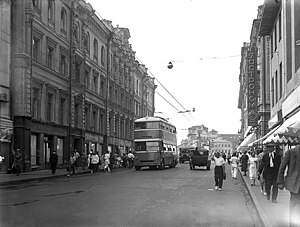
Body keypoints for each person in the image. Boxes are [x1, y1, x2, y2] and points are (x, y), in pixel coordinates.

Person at [277, 145, 300, 226]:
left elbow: (282, 167)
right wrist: (280, 181)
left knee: (295, 206)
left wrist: (280, 182)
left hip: (294, 184)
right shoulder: (291, 152)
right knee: (295, 206)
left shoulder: (290, 151)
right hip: (295, 184)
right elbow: (282, 167)